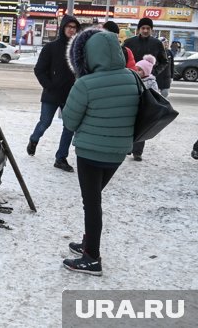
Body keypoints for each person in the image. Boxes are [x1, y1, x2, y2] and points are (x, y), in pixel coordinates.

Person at [61, 28, 139, 275]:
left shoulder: (85, 83)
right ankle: (88, 242)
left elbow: (69, 122)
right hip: (117, 153)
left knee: (92, 203)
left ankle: (92, 257)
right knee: (94, 200)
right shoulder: (132, 77)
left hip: (90, 154)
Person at [27, 14, 81, 172]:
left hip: (71, 95)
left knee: (69, 126)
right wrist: (49, 85)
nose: (72, 30)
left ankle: (61, 158)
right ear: (63, 28)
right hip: (52, 93)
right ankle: (34, 140)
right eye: (69, 27)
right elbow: (39, 70)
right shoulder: (51, 47)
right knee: (45, 122)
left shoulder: (79, 48)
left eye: (74, 27)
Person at [122, 17, 168, 161]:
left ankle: (138, 151)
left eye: (148, 28)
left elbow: (164, 61)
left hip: (147, 83)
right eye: (143, 28)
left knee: (143, 117)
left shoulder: (157, 44)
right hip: (129, 81)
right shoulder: (129, 43)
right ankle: (127, 147)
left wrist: (153, 73)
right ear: (139, 29)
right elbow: (121, 58)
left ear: (151, 29)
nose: (146, 30)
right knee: (128, 116)